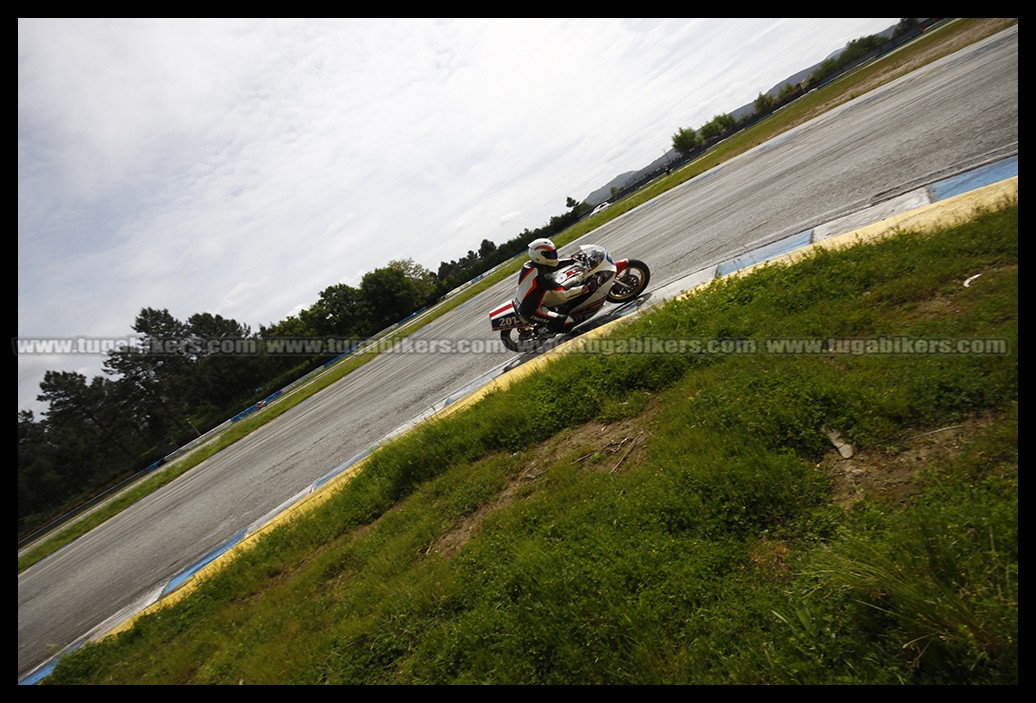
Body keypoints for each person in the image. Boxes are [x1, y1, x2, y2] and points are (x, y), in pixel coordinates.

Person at [515, 238, 598, 334]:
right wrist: (584, 288)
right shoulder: (543, 277)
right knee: (567, 322)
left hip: (531, 300)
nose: (554, 256)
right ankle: (546, 330)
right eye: (551, 254)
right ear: (541, 256)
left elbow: (554, 265)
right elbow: (564, 295)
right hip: (532, 310)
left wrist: (573, 260)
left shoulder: (531, 265)